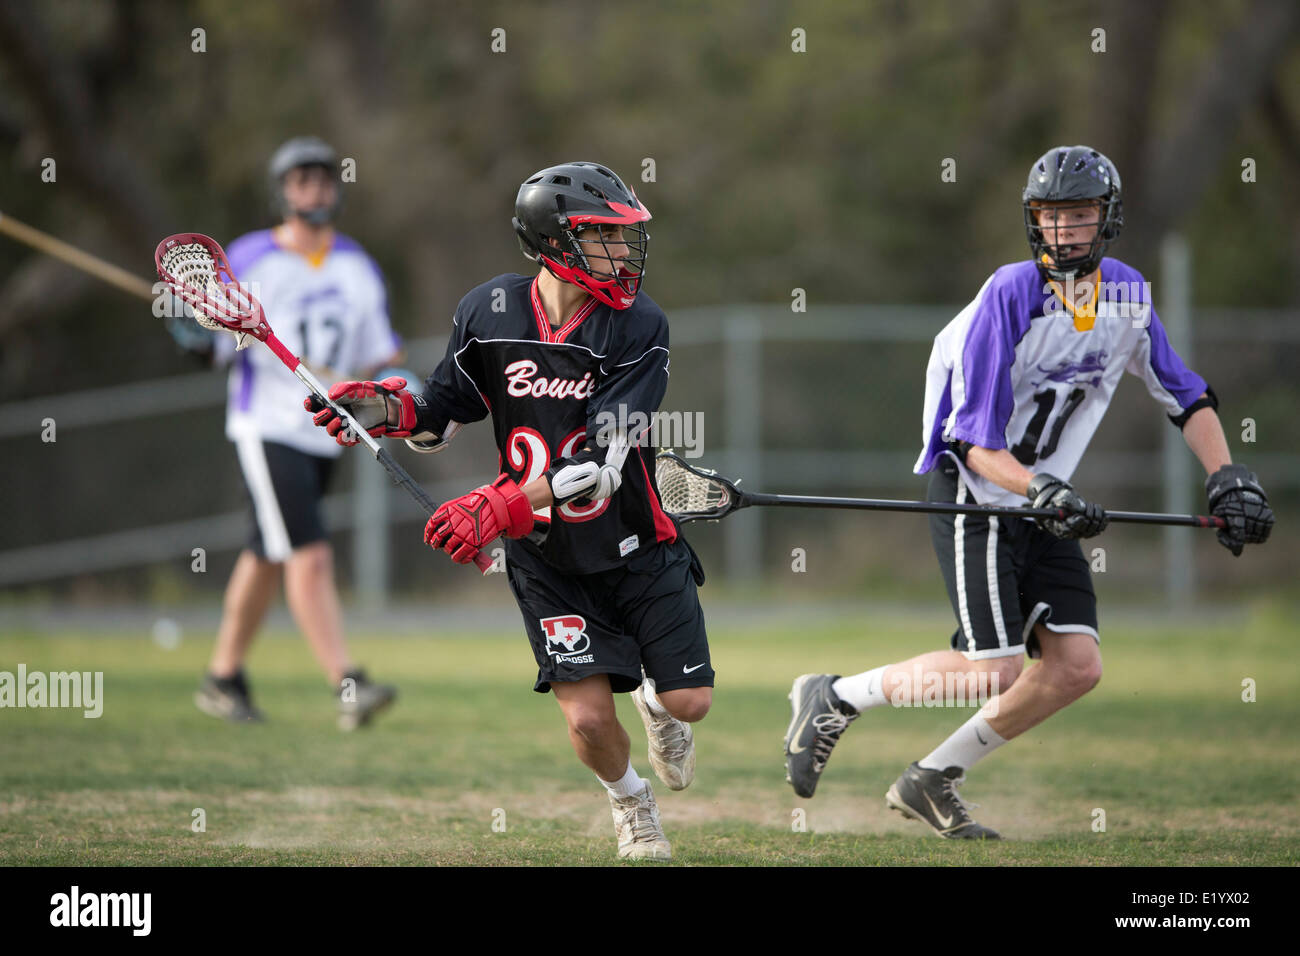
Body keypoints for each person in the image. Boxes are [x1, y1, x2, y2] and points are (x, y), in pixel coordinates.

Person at [782, 145, 1274, 838]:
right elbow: (976, 442)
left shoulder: (1128, 294)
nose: (1064, 231)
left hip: (1044, 500)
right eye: (1050, 217)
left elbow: (1185, 396)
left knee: (1075, 666)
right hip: (978, 494)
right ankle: (833, 696)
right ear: (1032, 223)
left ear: (1107, 219)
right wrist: (1043, 488)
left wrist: (1226, 477)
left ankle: (930, 778)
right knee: (996, 668)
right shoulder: (1008, 295)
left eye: (1079, 215)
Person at [308, 162, 711, 860]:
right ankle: (633, 806)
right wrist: (382, 410)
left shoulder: (639, 326)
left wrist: (498, 503)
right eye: (605, 238)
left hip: (635, 540)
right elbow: (443, 412)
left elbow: (599, 467)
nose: (623, 253)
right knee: (586, 722)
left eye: (625, 238)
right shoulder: (488, 311)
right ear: (556, 242)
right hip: (548, 558)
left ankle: (654, 699)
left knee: (688, 704)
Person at [176, 136, 400, 730]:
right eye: (302, 180)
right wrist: (200, 339)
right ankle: (347, 682)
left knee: (266, 553)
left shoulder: (356, 265)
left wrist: (383, 392)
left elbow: (377, 356)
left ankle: (222, 678)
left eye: (324, 179)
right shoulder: (249, 258)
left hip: (326, 429)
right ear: (282, 191)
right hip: (269, 424)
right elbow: (216, 345)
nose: (315, 190)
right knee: (310, 553)